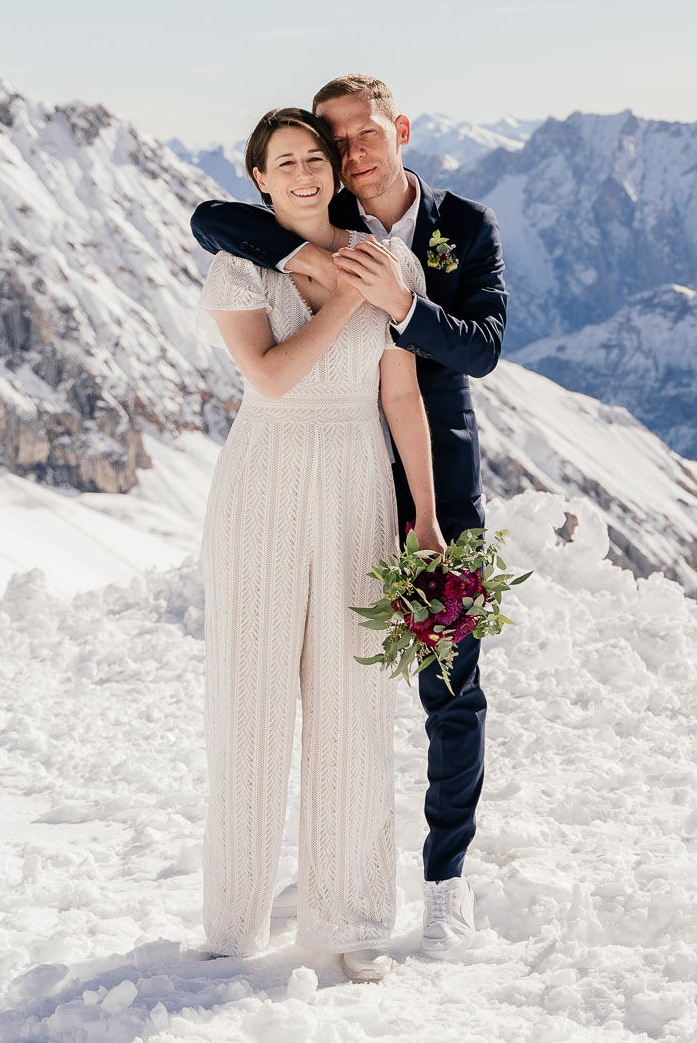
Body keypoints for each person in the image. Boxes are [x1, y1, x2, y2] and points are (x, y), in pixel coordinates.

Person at [192, 74, 507, 957]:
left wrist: (429, 516)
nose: (320, 166)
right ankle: (238, 917)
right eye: (289, 159)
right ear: (261, 178)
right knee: (251, 702)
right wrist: (336, 293)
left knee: (363, 701)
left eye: (324, 153)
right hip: (268, 479)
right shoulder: (244, 254)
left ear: (391, 136)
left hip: (370, 481)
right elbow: (272, 374)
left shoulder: (434, 242)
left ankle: (377, 903)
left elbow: (415, 386)